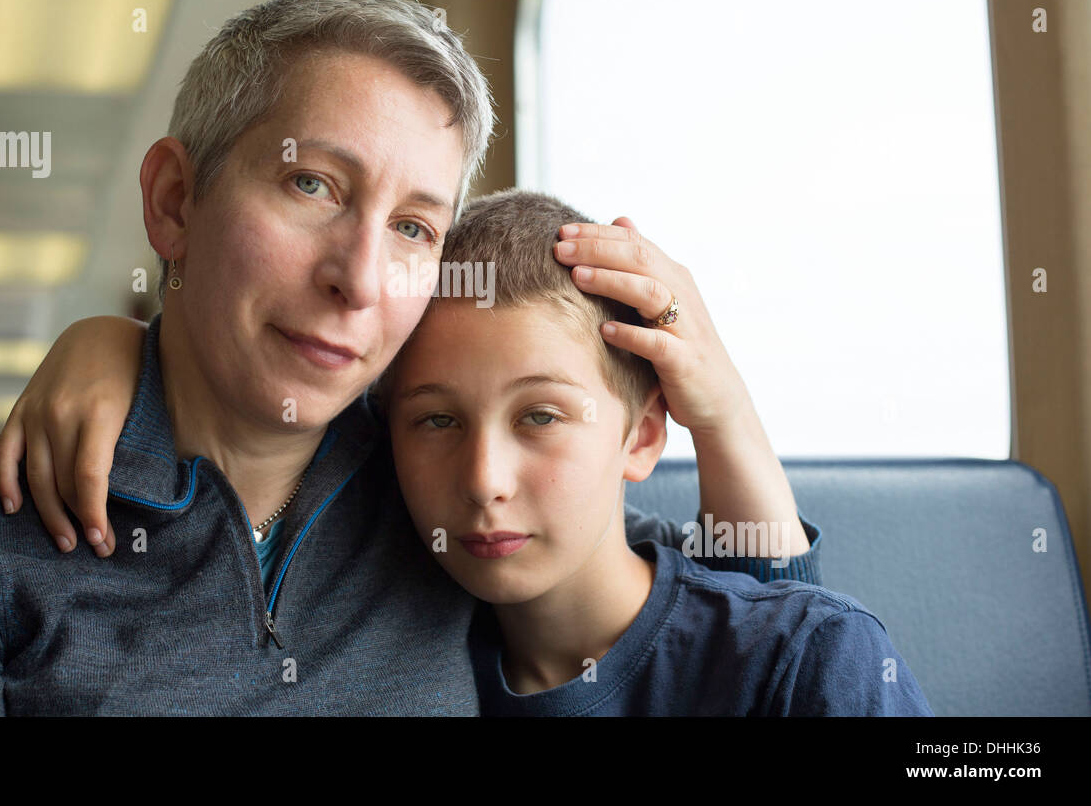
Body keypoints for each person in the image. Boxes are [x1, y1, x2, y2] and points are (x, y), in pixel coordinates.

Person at [0, 0, 816, 716]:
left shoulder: (440, 480)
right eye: (314, 188)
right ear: (176, 200)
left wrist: (721, 406)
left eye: (415, 228)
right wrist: (114, 338)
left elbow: (741, 647)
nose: (360, 276)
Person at [378, 190, 932, 715]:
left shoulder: (818, 653)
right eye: (438, 420)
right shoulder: (386, 663)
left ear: (640, 438)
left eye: (541, 417)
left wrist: (724, 411)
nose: (484, 480)